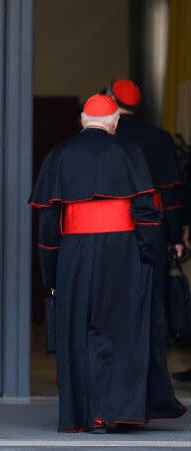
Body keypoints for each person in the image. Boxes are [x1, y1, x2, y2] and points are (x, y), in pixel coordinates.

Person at [29, 94, 187, 433]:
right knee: (121, 330)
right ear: (115, 122)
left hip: (74, 252)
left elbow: (48, 224)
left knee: (81, 331)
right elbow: (147, 214)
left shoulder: (60, 154)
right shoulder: (130, 152)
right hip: (124, 252)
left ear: (82, 121)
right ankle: (116, 412)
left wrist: (51, 271)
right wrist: (147, 258)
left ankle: (86, 415)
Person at [108, 80, 188, 406]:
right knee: (150, 311)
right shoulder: (159, 138)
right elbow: (170, 195)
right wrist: (175, 236)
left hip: (109, 234)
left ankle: (115, 390)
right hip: (151, 233)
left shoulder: (105, 137)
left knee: (112, 309)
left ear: (110, 101)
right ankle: (149, 392)